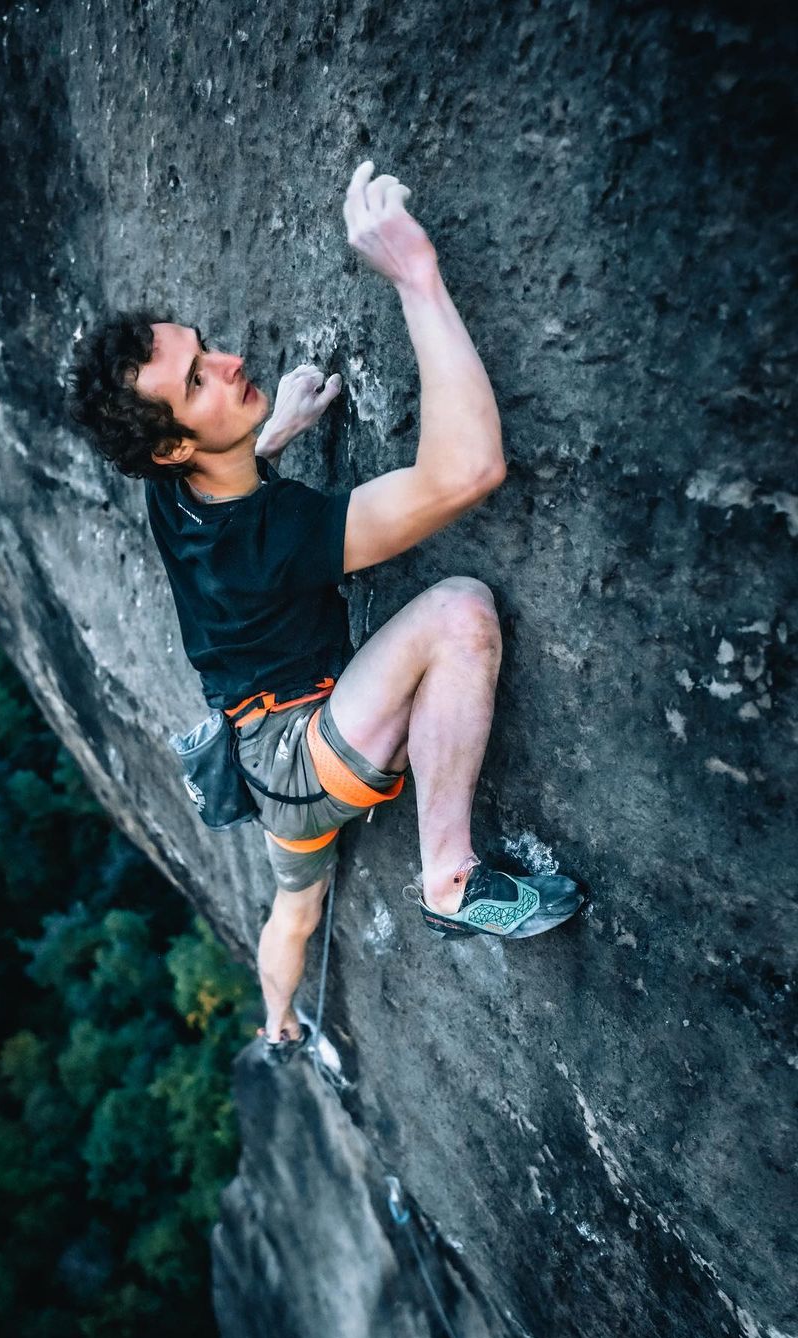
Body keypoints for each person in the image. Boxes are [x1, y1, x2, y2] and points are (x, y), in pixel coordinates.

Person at [64, 161, 584, 1064]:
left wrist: (272, 432)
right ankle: (450, 883)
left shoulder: (169, 485)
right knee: (460, 612)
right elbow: (468, 470)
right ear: (176, 443)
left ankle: (277, 1026)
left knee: (294, 909)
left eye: (205, 348)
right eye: (201, 379)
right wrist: (415, 273)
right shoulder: (271, 535)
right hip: (305, 753)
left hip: (263, 762)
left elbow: (222, 483)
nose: (231, 362)